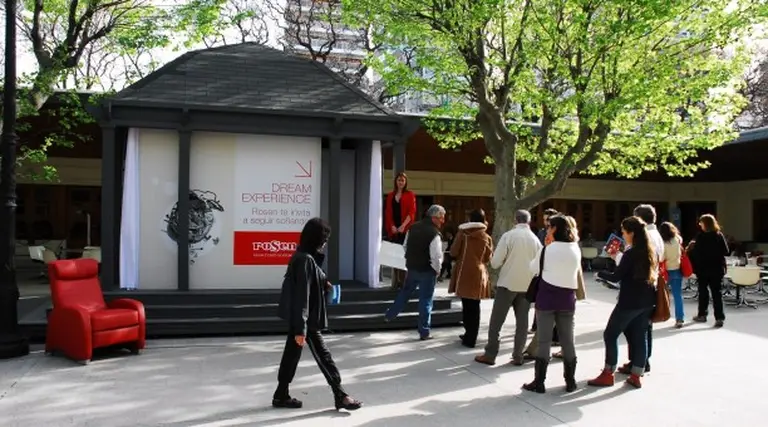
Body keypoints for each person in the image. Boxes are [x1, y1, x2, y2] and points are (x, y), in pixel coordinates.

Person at [273, 218, 362, 411]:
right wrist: (301, 329)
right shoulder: (305, 260)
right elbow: (302, 296)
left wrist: (324, 282)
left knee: (291, 357)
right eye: (325, 238)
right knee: (324, 356)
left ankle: (281, 394)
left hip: (301, 320)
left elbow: (312, 276)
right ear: (316, 239)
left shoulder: (304, 256)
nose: (326, 243)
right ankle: (341, 395)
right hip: (306, 321)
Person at [588, 216, 657, 389]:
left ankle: (608, 373)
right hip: (647, 300)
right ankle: (637, 374)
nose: (623, 235)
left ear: (631, 233)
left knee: (610, 334)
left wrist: (599, 274)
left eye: (624, 232)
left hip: (629, 301)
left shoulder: (630, 253)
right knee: (640, 337)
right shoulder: (649, 250)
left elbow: (616, 276)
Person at [522, 214, 581, 394]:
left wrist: (545, 247)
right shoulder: (575, 248)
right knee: (567, 340)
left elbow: (533, 268)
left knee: (544, 341)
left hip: (547, 297)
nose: (547, 229)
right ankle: (570, 381)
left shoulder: (547, 250)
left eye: (549, 227)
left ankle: (539, 382)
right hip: (567, 298)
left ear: (554, 228)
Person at [474, 209, 541, 366]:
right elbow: (538, 266)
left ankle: (491, 354)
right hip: (526, 285)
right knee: (522, 323)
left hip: (507, 283)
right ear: (529, 221)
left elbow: (495, 262)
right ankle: (518, 355)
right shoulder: (536, 239)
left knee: (496, 322)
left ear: (515, 220)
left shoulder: (509, 236)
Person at [613, 204, 663, 375]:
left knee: (635, 331)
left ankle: (639, 362)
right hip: (648, 288)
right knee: (643, 330)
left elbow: (634, 262)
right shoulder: (656, 235)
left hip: (636, 290)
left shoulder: (644, 237)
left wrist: (617, 256)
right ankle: (640, 363)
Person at [385, 204, 446, 340]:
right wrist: (437, 270)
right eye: (441, 218)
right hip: (427, 271)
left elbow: (405, 246)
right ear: (434, 217)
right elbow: (436, 256)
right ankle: (424, 331)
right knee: (426, 300)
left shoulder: (412, 228)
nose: (443, 221)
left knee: (405, 293)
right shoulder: (434, 234)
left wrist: (412, 259)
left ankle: (389, 315)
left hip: (412, 268)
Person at [449, 209, 494, 348]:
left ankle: (469, 334)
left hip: (463, 271)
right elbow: (488, 257)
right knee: (475, 306)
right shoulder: (486, 236)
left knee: (466, 304)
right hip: (478, 272)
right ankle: (472, 335)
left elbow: (453, 252)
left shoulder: (463, 233)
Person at [689, 214, 729, 328]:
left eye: (701, 222)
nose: (700, 224)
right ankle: (719, 317)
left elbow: (696, 253)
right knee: (717, 293)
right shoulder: (718, 235)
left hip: (703, 269)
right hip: (717, 268)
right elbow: (726, 251)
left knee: (703, 292)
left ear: (705, 224)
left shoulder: (700, 236)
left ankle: (702, 314)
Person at [384, 172, 417, 289]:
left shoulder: (410, 195)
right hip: (394, 230)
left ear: (406, 182)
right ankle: (395, 282)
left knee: (403, 256)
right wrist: (392, 226)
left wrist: (403, 226)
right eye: (399, 180)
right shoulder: (390, 196)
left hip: (405, 229)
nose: (401, 182)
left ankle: (404, 283)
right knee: (394, 256)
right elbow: (388, 213)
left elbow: (411, 212)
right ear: (396, 182)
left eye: (403, 180)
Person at [531, 208, 560, 334]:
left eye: (548, 219)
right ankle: (535, 325)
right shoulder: (541, 232)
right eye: (544, 220)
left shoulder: (559, 234)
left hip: (553, 269)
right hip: (541, 267)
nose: (545, 222)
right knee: (539, 298)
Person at [660, 222, 685, 328]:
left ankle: (661, 315)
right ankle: (680, 318)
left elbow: (661, 258)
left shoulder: (663, 243)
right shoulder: (678, 239)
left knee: (661, 294)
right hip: (677, 269)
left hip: (666, 271)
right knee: (677, 295)